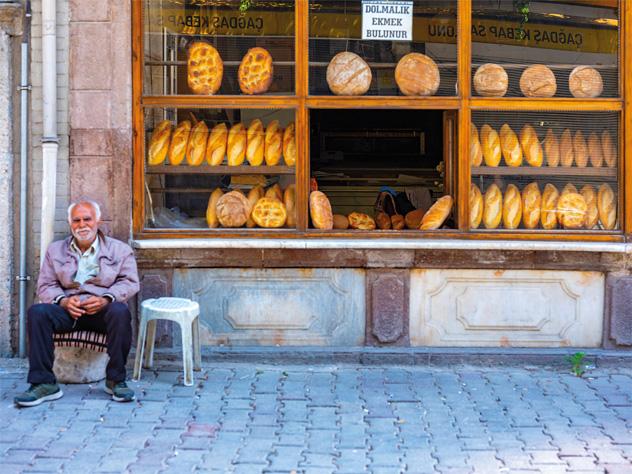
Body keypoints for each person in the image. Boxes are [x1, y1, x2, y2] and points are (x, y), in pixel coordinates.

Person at [14, 199, 140, 407]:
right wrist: (62, 301)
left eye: (87, 219)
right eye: (76, 220)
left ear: (97, 220)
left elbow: (130, 282)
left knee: (119, 311)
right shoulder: (55, 250)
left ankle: (116, 380)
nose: (82, 225)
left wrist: (105, 298)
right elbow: (45, 285)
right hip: (68, 311)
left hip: (101, 311)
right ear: (70, 223)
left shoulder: (120, 250)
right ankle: (44, 384)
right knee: (37, 312)